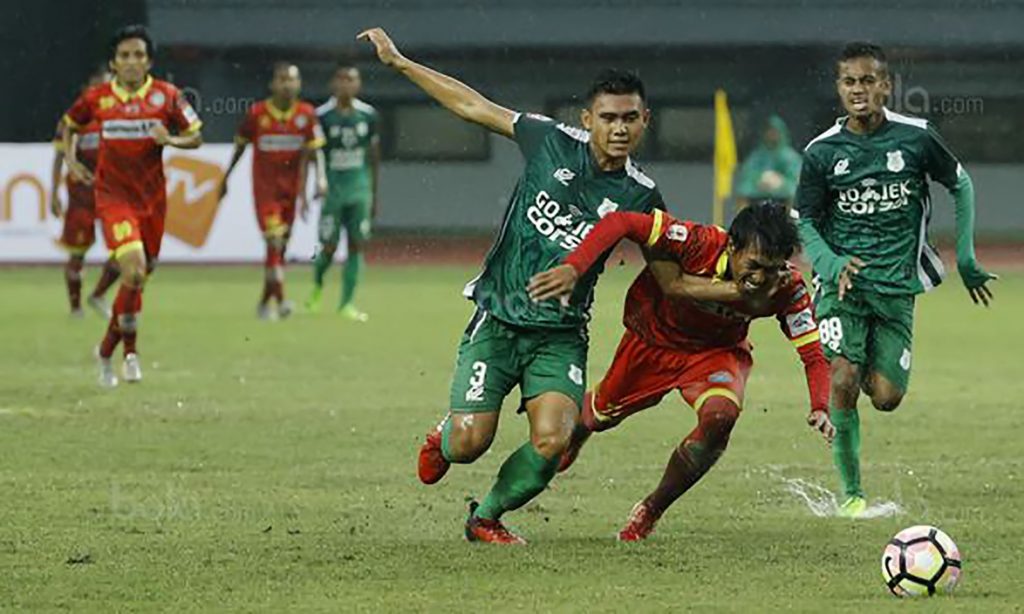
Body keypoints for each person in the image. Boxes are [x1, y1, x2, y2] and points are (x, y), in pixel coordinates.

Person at [360, 27, 665, 544]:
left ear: (645, 121)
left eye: (629, 118)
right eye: (608, 117)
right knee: (469, 443)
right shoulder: (549, 141)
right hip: (498, 319)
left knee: (554, 441)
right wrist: (401, 63)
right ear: (587, 119)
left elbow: (666, 272)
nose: (619, 128)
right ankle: (445, 436)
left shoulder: (643, 196)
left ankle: (485, 517)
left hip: (560, 335)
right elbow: (473, 107)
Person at [528, 202, 834, 541]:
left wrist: (820, 405)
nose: (762, 278)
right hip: (653, 344)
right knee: (599, 415)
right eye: (755, 266)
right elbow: (622, 221)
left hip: (716, 354)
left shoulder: (787, 287)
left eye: (773, 269)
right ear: (732, 246)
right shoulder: (697, 242)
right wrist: (575, 266)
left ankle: (652, 508)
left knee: (721, 417)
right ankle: (580, 430)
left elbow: (813, 354)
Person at [795, 42, 997, 517]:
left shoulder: (916, 138)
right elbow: (805, 221)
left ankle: (863, 359)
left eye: (868, 81)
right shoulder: (821, 152)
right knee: (843, 376)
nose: (858, 90)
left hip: (897, 287)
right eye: (849, 82)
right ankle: (851, 495)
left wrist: (966, 257)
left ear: (886, 86)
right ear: (839, 88)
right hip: (842, 288)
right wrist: (830, 263)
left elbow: (960, 183)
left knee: (886, 398)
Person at [63, 24, 203, 387]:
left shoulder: (167, 96)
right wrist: (71, 161)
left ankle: (106, 351)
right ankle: (130, 353)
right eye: (124, 55)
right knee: (135, 269)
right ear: (113, 62)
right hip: (113, 199)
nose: (131, 61)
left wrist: (169, 139)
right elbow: (69, 125)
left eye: (138, 55)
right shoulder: (97, 98)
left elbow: (196, 137)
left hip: (152, 202)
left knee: (137, 279)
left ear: (149, 61)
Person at [220, 63, 325, 320]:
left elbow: (316, 151)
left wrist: (321, 179)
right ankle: (282, 300)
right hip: (265, 192)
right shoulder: (257, 114)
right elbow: (240, 147)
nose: (287, 85)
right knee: (275, 242)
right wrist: (226, 177)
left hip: (291, 192)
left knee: (279, 249)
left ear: (299, 84)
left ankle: (264, 302)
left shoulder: (306, 114)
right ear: (272, 84)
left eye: (292, 79)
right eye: (282, 79)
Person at [306, 63, 380, 321]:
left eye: (352, 80)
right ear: (333, 84)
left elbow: (373, 156)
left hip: (359, 189)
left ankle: (347, 303)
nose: (347, 84)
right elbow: (314, 153)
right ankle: (317, 285)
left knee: (357, 245)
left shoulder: (368, 115)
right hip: (333, 191)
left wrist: (373, 193)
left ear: (358, 84)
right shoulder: (322, 116)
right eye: (342, 79)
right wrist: (317, 181)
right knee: (328, 247)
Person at [51, 66, 120, 318]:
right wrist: (53, 193)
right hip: (82, 198)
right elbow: (59, 156)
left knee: (127, 249)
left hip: (112, 195)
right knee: (77, 253)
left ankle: (99, 294)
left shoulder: (119, 118)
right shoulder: (73, 120)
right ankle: (76, 308)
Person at [734, 115, 802, 209]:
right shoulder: (757, 155)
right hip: (758, 190)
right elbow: (747, 173)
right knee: (743, 190)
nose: (772, 135)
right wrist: (760, 178)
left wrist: (780, 181)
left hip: (783, 191)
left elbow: (796, 177)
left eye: (775, 132)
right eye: (769, 131)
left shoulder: (790, 156)